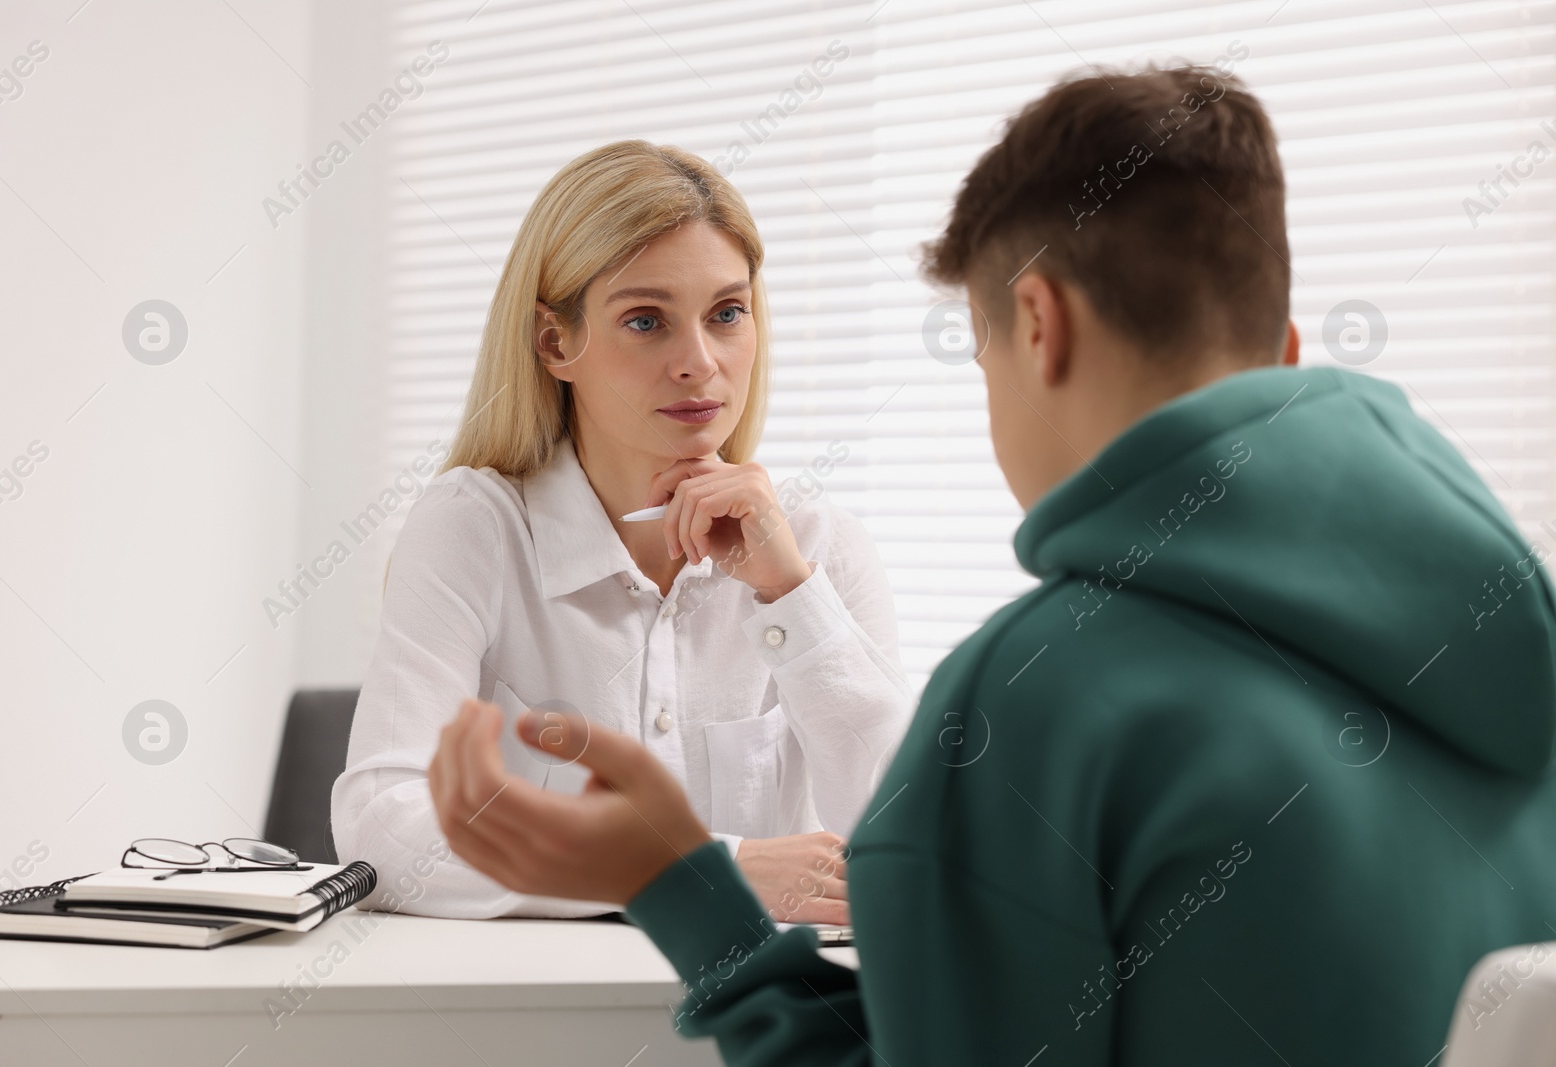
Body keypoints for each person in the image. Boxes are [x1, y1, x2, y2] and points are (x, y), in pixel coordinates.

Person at [426, 64, 1556, 1063]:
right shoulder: (1511, 641)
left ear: (1037, 324)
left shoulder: (1044, 703)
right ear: (1286, 353)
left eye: (976, 353)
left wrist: (681, 881)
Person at [332, 140, 912, 922]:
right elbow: (382, 826)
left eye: (727, 313)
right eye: (647, 320)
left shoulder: (818, 546)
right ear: (555, 342)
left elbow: (919, 840)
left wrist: (789, 596)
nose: (700, 362)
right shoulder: (475, 528)